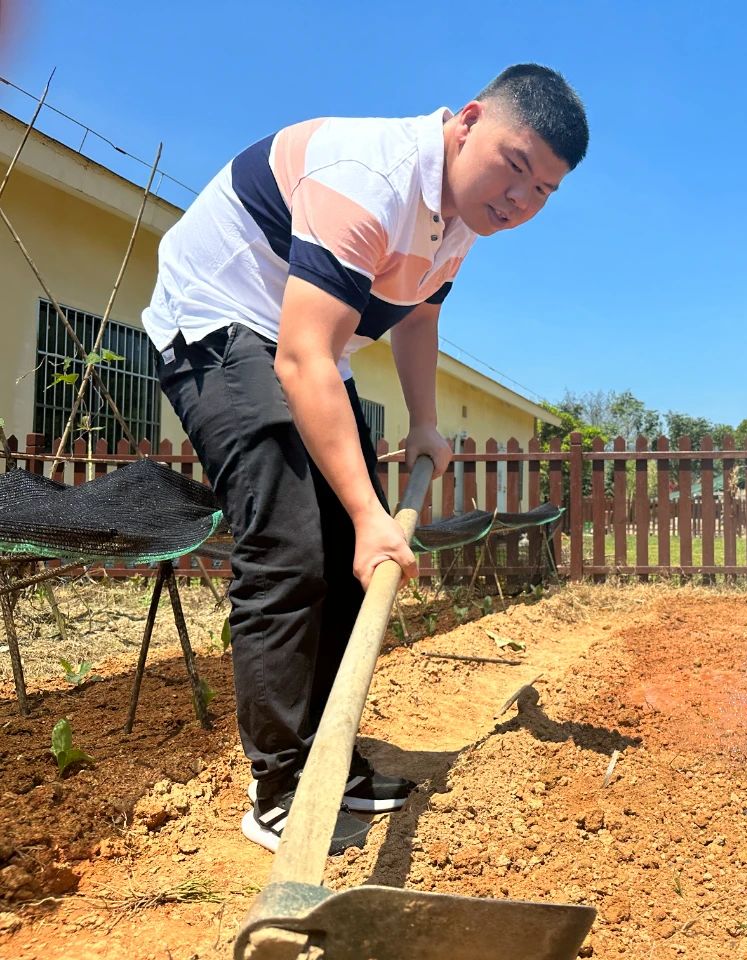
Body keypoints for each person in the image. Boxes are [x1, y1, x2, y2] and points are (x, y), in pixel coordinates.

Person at [141, 64, 589, 851]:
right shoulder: (368, 179)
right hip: (219, 320)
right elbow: (301, 356)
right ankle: (283, 784)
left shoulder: (462, 219)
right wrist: (366, 512)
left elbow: (418, 318)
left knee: (356, 554)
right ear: (468, 122)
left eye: (544, 191)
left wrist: (426, 422)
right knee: (291, 545)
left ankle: (332, 758)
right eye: (516, 167)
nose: (521, 199)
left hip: (311, 344)